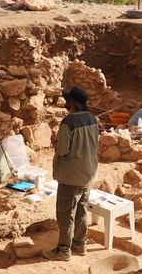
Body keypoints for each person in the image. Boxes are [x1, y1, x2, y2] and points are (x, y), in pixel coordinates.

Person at [43, 86, 99, 262]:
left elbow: (62, 150)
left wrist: (55, 140)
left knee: (66, 213)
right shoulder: (92, 119)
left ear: (72, 103)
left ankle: (63, 250)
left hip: (71, 175)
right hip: (88, 173)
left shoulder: (68, 122)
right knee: (81, 210)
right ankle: (80, 244)